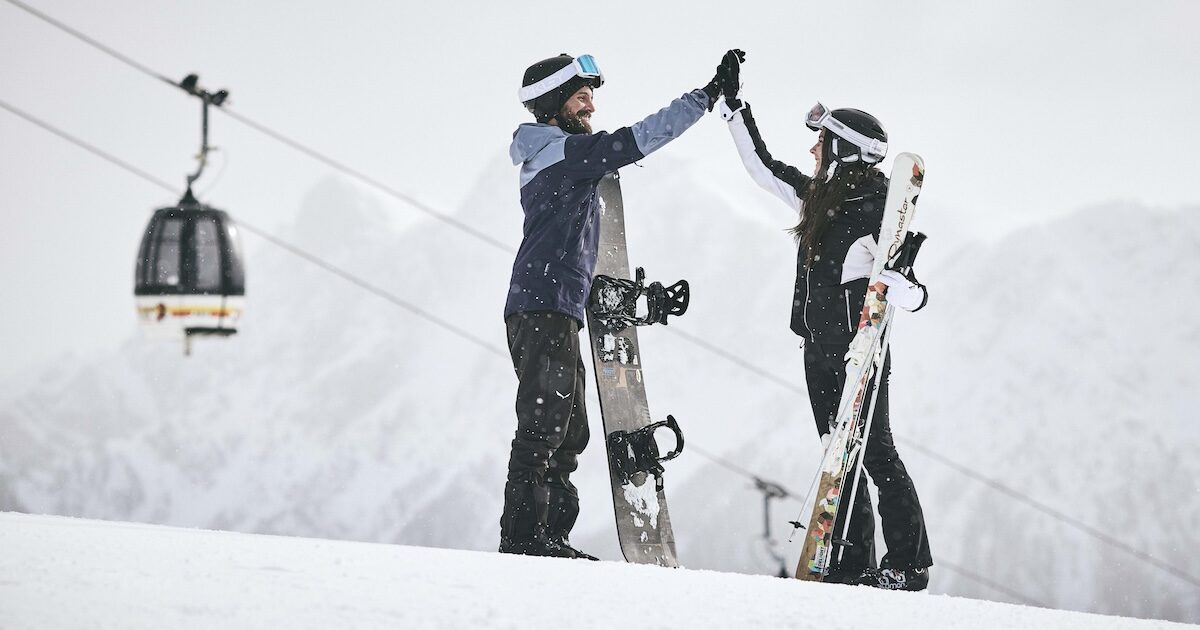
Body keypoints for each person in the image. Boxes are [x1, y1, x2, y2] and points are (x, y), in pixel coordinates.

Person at [500, 51, 745, 559]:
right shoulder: (564, 152)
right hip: (543, 304)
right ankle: (523, 540)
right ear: (551, 104)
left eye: (592, 90)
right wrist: (703, 98)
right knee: (543, 425)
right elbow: (638, 139)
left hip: (558, 303)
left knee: (569, 431)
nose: (590, 99)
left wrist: (634, 299)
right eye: (579, 91)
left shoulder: (564, 153)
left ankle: (548, 537)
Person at [717, 60, 933, 590]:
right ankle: (855, 563)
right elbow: (763, 168)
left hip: (860, 350)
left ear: (842, 151)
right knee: (839, 458)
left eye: (821, 144)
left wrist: (900, 280)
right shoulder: (821, 203)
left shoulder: (880, 212)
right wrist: (732, 108)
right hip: (818, 347)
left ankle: (909, 565)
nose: (813, 152)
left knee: (873, 449)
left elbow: (916, 296)